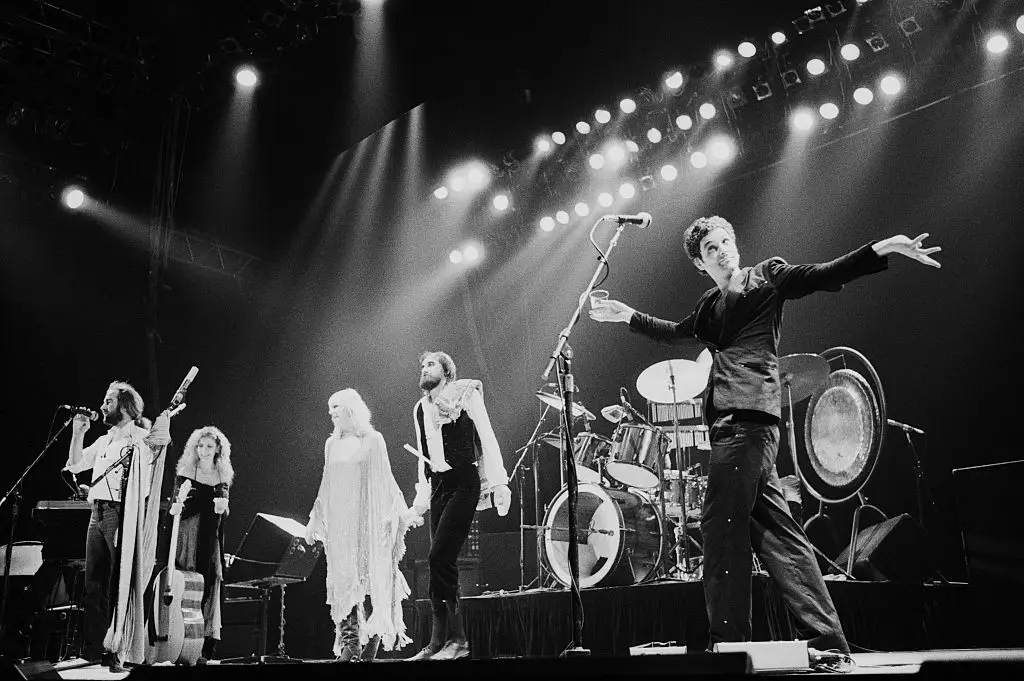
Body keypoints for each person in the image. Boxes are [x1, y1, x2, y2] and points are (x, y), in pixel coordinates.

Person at [589, 216, 940, 663]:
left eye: (725, 242)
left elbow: (822, 274)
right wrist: (627, 315)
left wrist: (881, 248)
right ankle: (828, 641)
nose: (722, 251)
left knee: (720, 530)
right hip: (736, 427)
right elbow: (673, 332)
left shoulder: (766, 277)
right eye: (711, 249)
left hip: (748, 420)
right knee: (778, 533)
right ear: (700, 263)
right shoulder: (709, 306)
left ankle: (730, 645)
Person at [406, 351, 512, 661]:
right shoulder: (420, 408)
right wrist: (420, 504)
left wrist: (499, 481)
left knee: (440, 556)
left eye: (431, 364)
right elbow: (423, 457)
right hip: (438, 485)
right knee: (440, 562)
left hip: (464, 482)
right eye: (422, 364)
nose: (424, 368)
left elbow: (487, 435)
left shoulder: (466, 394)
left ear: (447, 372)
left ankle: (459, 640)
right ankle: (438, 642)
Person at [64, 381, 171, 671]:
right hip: (96, 513)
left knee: (117, 582)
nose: (102, 405)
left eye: (108, 401)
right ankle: (96, 649)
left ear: (125, 406)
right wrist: (77, 434)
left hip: (120, 512)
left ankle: (118, 648)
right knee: (93, 584)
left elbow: (148, 474)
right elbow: (74, 465)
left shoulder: (141, 437)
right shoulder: (104, 440)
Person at [305, 389, 418, 661]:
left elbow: (386, 480)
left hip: (367, 523)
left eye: (336, 407)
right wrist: (314, 519)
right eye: (329, 408)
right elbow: (326, 483)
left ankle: (372, 642)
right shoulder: (330, 444)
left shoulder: (373, 440)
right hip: (340, 526)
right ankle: (350, 643)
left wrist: (400, 514)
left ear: (351, 409)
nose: (331, 412)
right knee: (343, 583)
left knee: (371, 578)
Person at [168, 426, 235, 663]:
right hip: (188, 534)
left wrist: (222, 508)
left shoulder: (222, 473)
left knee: (206, 585)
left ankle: (201, 645)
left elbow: (223, 510)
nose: (204, 451)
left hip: (209, 536)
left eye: (209, 446)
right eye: (200, 446)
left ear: (218, 449)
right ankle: (176, 638)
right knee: (183, 584)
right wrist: (177, 509)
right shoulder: (186, 470)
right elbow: (178, 504)